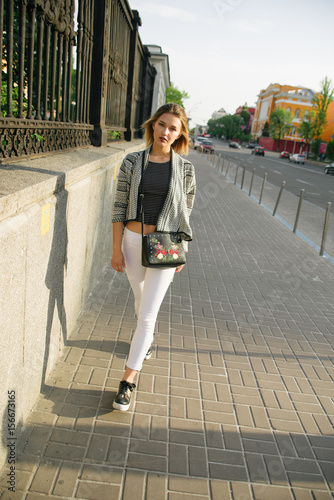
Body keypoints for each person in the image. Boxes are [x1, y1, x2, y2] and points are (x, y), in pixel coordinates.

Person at [111, 102, 196, 411]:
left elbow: (185, 212)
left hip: (164, 246)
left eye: (173, 127)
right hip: (132, 241)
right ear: (153, 125)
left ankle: (128, 379)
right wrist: (116, 247)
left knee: (147, 315)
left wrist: (181, 249)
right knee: (140, 298)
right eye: (162, 124)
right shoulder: (132, 161)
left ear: (180, 134)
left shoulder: (186, 169)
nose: (165, 131)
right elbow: (119, 207)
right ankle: (143, 342)